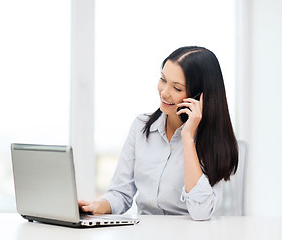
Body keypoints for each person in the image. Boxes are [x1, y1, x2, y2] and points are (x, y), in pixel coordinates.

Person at [78, 46, 239, 220]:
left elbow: (201, 213)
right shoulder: (141, 127)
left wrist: (187, 138)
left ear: (200, 96)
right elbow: (120, 193)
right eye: (163, 79)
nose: (164, 92)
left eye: (177, 88)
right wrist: (96, 206)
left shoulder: (212, 142)